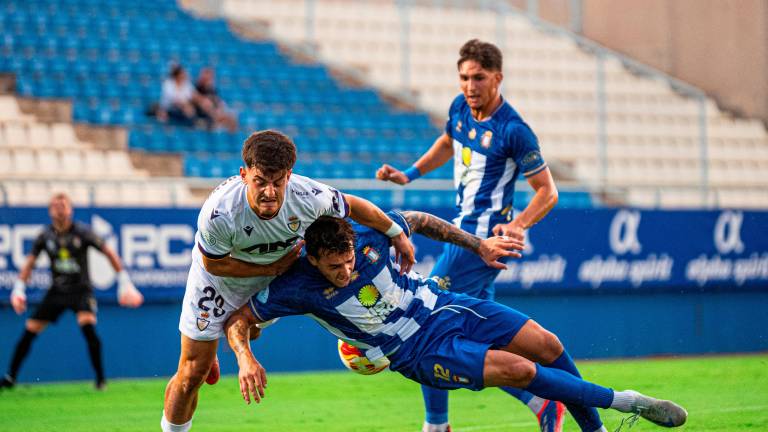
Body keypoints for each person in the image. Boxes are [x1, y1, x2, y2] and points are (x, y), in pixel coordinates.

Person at [224, 213, 688, 431]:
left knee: (546, 343)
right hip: (416, 351)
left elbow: (420, 220)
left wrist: (478, 246)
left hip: (443, 304)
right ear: (312, 258)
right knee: (522, 372)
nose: (345, 272)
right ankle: (628, 402)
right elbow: (237, 321)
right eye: (335, 268)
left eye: (348, 261)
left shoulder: (367, 235)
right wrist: (246, 358)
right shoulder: (295, 286)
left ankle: (594, 431)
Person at [161, 130, 416, 432]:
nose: (269, 191)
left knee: (248, 331)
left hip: (269, 278)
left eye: (278, 182)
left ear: (289, 176)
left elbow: (354, 206)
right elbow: (213, 264)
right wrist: (272, 269)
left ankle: (213, 346)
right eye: (260, 181)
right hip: (219, 282)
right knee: (191, 373)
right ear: (244, 175)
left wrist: (395, 233)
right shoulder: (220, 212)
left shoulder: (308, 196)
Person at [376, 39, 569, 432]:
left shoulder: (514, 131)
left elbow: (548, 192)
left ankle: (436, 425)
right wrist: (409, 174)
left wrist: (518, 226)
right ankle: (543, 403)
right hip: (464, 232)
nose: (470, 85)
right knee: (487, 341)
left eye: (478, 77)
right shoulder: (460, 108)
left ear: (497, 78)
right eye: (464, 77)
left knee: (426, 322)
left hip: (481, 243)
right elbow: (448, 142)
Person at [0, 192, 144, 390]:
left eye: (63, 205)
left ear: (70, 210)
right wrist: (19, 288)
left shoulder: (82, 232)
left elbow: (109, 252)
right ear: (50, 210)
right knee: (29, 330)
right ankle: (10, 377)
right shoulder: (45, 235)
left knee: (89, 330)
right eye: (56, 205)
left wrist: (124, 282)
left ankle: (101, 380)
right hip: (56, 291)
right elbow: (29, 263)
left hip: (81, 291)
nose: (60, 208)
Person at [194, 68, 238, 132]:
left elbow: (217, 101)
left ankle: (232, 138)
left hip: (214, 111)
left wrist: (220, 108)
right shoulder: (197, 87)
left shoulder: (212, 89)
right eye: (207, 76)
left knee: (232, 117)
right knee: (207, 105)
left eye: (210, 77)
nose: (209, 79)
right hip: (201, 112)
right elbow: (198, 99)